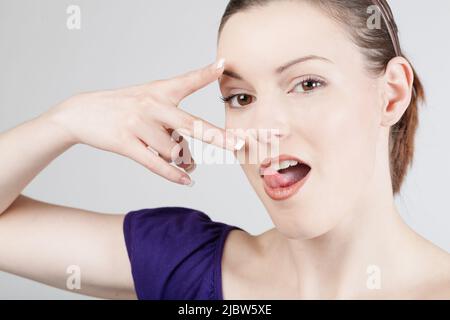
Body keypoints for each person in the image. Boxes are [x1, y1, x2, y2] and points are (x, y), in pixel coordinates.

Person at [0, 0, 449, 300]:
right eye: (241, 98)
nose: (264, 129)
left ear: (391, 94)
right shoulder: (186, 264)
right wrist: (67, 120)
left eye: (307, 84)